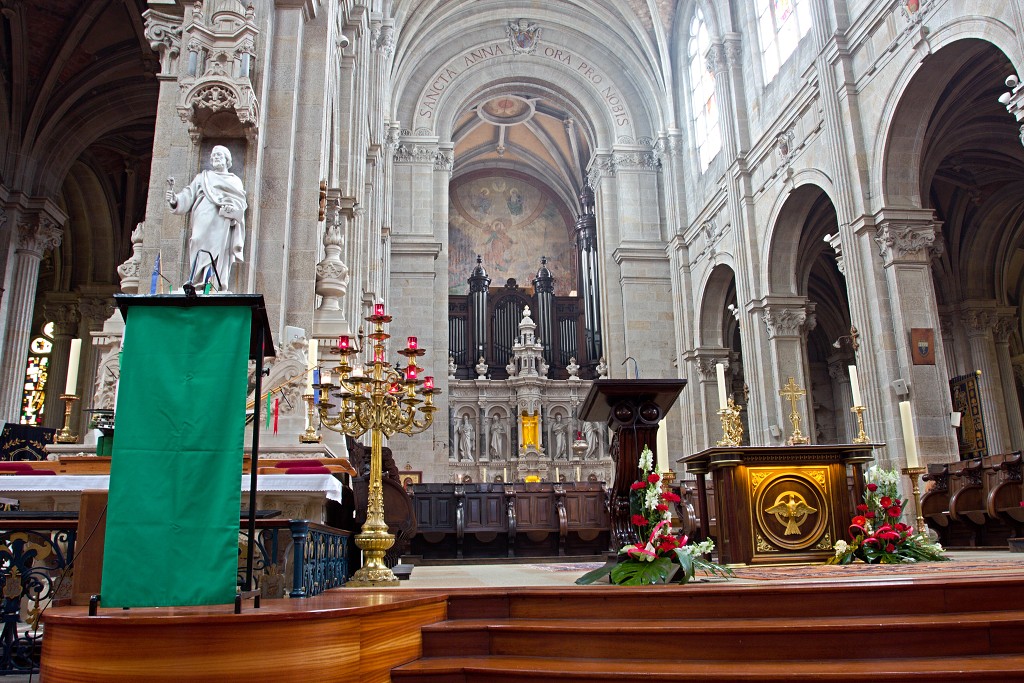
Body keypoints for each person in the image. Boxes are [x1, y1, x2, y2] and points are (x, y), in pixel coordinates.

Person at [167, 145, 247, 289]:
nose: (216, 158)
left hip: (222, 220)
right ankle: (197, 279)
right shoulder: (202, 177)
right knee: (197, 239)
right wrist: (175, 200)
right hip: (202, 215)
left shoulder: (235, 181)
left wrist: (232, 209)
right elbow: (188, 194)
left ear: (227, 160)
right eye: (214, 156)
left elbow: (240, 203)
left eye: (219, 155)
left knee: (220, 250)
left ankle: (213, 282)